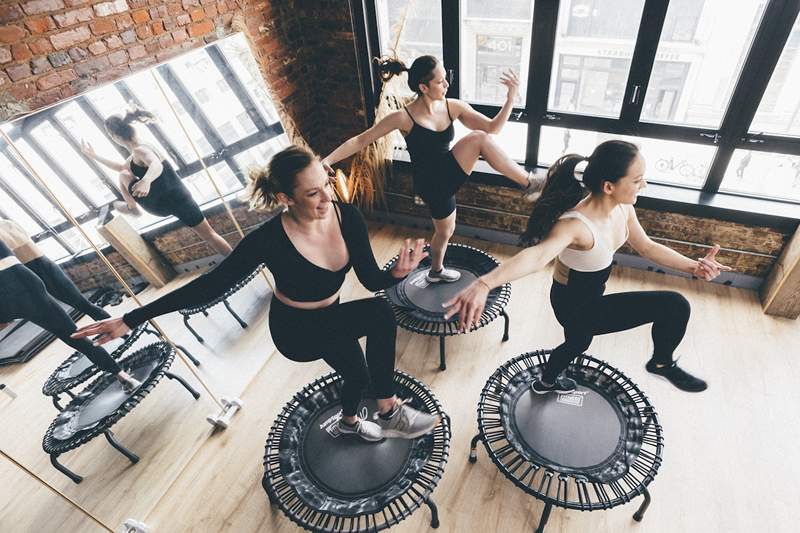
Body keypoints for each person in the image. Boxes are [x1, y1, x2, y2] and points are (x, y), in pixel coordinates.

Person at [73, 145, 440, 441]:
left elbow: (372, 280)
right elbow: (209, 286)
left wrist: (396, 274)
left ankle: (349, 423)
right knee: (379, 315)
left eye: (326, 184)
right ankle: (390, 412)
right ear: (285, 197)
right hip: (296, 330)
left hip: (331, 315)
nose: (326, 198)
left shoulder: (348, 218)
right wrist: (131, 318)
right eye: (312, 193)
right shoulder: (267, 240)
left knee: (358, 377)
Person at [444, 140, 731, 394]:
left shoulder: (623, 208)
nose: (643, 185)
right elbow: (538, 256)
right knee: (673, 305)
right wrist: (484, 283)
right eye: (637, 180)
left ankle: (544, 383)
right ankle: (660, 363)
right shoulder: (575, 226)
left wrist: (694, 267)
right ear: (609, 186)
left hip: (593, 295)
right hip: (573, 305)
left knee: (578, 343)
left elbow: (647, 247)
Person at [322, 55, 544, 284]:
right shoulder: (403, 117)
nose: (447, 85)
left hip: (446, 172)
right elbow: (360, 140)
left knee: (445, 232)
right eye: (440, 81)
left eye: (446, 79)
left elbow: (493, 127)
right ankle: (530, 184)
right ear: (423, 87)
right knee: (479, 140)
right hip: (429, 181)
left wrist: (510, 98)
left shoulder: (452, 106)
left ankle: (436, 271)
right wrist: (326, 160)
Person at [81, 109, 232, 256]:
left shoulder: (140, 151)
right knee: (123, 173)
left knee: (209, 236)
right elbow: (121, 167)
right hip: (178, 196)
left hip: (162, 203)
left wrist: (146, 181)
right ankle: (131, 207)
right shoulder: (143, 148)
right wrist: (94, 156)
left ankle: (131, 208)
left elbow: (156, 165)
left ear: (115, 137)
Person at [0, 239, 140, 393]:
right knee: (73, 334)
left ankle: (123, 375)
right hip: (24, 285)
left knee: (74, 334)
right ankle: (123, 376)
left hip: (20, 287)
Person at [0, 218, 109, 321]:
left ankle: (111, 325)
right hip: (16, 246)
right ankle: (106, 323)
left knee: (70, 307)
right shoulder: (7, 226)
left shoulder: (7, 228)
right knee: (76, 306)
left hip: (17, 249)